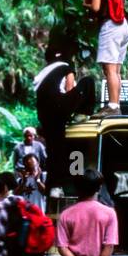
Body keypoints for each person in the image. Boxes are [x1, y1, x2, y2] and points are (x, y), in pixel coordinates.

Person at [34, 35, 97, 195]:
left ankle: (54, 187)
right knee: (89, 81)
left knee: (56, 148)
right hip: (60, 106)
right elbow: (69, 88)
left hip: (44, 115)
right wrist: (74, 106)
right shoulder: (66, 66)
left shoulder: (42, 73)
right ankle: (83, 114)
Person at [84, 0, 128, 117]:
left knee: (109, 69)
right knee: (116, 70)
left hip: (111, 26)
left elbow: (96, 7)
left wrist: (86, 4)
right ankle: (116, 105)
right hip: (123, 25)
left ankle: (112, 106)